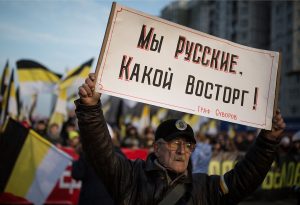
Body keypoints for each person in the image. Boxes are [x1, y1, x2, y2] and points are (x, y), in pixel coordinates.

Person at [75, 73, 286, 205]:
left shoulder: (204, 187)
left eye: (188, 145)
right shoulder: (131, 177)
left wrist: (268, 140)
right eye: (175, 143)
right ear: (157, 148)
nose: (182, 150)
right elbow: (100, 151)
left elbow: (243, 179)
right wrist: (90, 108)